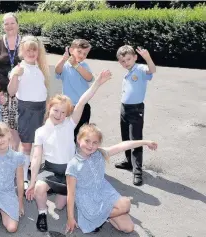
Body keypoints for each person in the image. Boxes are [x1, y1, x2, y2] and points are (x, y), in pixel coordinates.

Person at [26, 70, 112, 232]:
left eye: (63, 112)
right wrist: (32, 182)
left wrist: (98, 83)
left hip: (69, 171)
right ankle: (42, 213)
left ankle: (88, 215)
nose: (59, 115)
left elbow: (82, 101)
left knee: (60, 206)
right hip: (50, 169)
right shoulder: (41, 132)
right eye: (55, 110)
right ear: (49, 108)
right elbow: (36, 157)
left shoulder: (69, 124)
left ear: (67, 114)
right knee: (38, 188)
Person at [65, 124, 158, 234]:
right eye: (87, 141)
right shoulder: (73, 165)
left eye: (95, 142)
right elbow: (70, 194)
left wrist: (145, 142)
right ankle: (95, 217)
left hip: (104, 192)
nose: (90, 146)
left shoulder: (100, 152)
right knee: (126, 204)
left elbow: (124, 145)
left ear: (99, 143)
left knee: (128, 228)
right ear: (78, 139)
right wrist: (70, 218)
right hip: (89, 202)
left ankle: (102, 217)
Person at [7, 35, 50, 191]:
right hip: (26, 109)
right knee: (26, 146)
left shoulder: (40, 68)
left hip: (40, 110)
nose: (31, 53)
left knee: (37, 144)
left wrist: (47, 110)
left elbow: (43, 91)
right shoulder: (19, 69)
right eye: (28, 50)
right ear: (22, 52)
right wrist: (16, 75)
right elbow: (11, 91)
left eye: (34, 50)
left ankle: (30, 171)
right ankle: (23, 177)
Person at [114, 45, 157, 186]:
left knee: (136, 140)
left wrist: (148, 57)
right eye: (122, 61)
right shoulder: (128, 71)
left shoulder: (139, 69)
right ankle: (128, 162)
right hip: (124, 109)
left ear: (135, 57)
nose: (126, 63)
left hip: (136, 110)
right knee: (126, 138)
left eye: (128, 59)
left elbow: (152, 70)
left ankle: (137, 171)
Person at [0, 12, 22, 151]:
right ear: (2, 26)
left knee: (18, 126)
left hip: (22, 93)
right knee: (3, 127)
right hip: (2, 92)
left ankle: (17, 155)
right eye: (6, 23)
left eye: (12, 23)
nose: (9, 26)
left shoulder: (25, 42)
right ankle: (5, 156)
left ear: (18, 24)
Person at [54, 39, 94, 142]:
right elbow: (57, 71)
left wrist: (76, 65)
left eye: (85, 53)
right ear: (71, 50)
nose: (82, 55)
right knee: (67, 133)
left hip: (83, 106)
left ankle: (79, 155)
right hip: (68, 106)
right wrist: (63, 59)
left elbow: (89, 78)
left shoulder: (84, 66)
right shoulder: (65, 65)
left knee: (82, 134)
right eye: (79, 52)